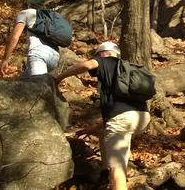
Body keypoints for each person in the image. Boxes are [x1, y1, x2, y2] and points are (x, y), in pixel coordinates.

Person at [52, 42, 150, 190]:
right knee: (106, 134)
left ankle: (114, 177)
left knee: (117, 169)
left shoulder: (106, 61)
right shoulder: (126, 68)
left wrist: (60, 77)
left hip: (122, 119)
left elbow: (87, 65)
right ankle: (105, 174)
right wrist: (92, 129)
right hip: (141, 117)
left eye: (97, 55)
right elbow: (121, 110)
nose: (97, 58)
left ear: (103, 53)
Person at [0, 0, 60, 77]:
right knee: (22, 85)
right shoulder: (47, 15)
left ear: (29, 5)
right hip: (55, 57)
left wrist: (5, 59)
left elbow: (14, 37)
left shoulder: (25, 13)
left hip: (38, 55)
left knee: (38, 87)